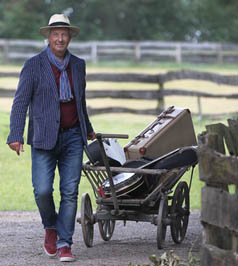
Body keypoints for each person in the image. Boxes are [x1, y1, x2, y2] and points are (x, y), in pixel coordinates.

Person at [7, 14, 96, 262]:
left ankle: (65, 243)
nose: (60, 38)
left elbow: (81, 101)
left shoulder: (78, 65)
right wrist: (16, 134)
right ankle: (51, 227)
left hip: (73, 138)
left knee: (70, 192)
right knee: (43, 190)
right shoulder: (33, 64)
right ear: (48, 36)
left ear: (70, 37)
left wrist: (87, 128)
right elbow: (20, 102)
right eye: (55, 33)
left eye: (64, 34)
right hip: (43, 138)